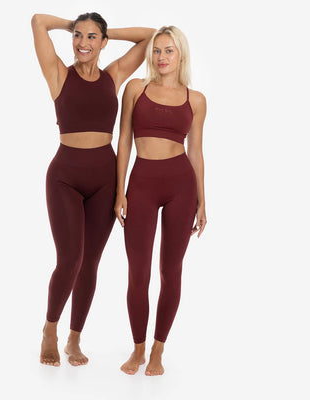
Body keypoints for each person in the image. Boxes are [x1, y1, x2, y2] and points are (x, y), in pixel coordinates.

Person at [31, 12, 154, 367]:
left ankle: (74, 339)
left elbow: (150, 37)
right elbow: (38, 21)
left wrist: (106, 31)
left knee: (90, 263)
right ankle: (50, 330)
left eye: (91, 37)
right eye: (78, 36)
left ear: (102, 42)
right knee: (70, 259)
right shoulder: (58, 74)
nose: (82, 43)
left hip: (104, 181)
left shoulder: (113, 75)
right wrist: (73, 24)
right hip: (64, 178)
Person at [114, 26, 207, 376]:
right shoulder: (135, 89)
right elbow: (124, 140)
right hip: (142, 184)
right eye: (156, 50)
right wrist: (120, 190)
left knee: (171, 271)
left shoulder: (196, 99)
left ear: (181, 55)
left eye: (169, 50)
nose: (161, 57)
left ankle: (158, 349)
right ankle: (138, 348)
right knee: (138, 272)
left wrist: (202, 200)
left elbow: (195, 151)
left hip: (181, 185)